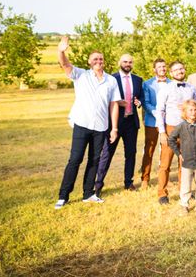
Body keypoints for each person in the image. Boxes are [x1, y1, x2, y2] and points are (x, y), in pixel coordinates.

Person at [54, 36, 120, 209]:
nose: (99, 61)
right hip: (82, 124)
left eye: (101, 59)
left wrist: (114, 128)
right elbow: (65, 65)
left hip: (101, 127)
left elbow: (114, 105)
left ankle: (88, 194)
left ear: (104, 62)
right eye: (95, 59)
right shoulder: (81, 75)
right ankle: (63, 196)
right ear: (89, 62)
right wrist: (61, 51)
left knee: (95, 160)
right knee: (75, 159)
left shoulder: (111, 80)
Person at [95, 54, 143, 196]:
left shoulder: (138, 80)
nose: (127, 64)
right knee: (107, 153)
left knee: (131, 153)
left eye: (130, 62)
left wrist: (139, 102)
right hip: (114, 122)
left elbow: (140, 98)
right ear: (119, 62)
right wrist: (117, 101)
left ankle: (128, 183)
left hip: (131, 122)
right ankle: (98, 185)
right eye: (125, 61)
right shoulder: (111, 79)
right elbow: (105, 98)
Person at [154, 61, 196, 205]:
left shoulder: (192, 88)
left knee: (185, 164)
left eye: (181, 68)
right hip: (171, 129)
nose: (179, 71)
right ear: (171, 73)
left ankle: (184, 191)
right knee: (165, 164)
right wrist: (162, 132)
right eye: (176, 70)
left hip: (188, 129)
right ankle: (162, 194)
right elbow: (160, 110)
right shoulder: (166, 89)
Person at [168, 100, 196, 214]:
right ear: (185, 112)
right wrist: (179, 153)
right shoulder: (181, 126)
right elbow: (171, 139)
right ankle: (184, 205)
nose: (193, 112)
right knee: (186, 184)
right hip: (187, 161)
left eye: (195, 109)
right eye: (190, 110)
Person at [140, 58, 170, 188]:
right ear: (154, 69)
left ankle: (163, 178)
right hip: (152, 121)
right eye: (159, 67)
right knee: (149, 149)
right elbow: (146, 103)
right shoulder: (147, 84)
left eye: (164, 66)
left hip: (168, 121)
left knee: (166, 150)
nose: (162, 68)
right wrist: (158, 113)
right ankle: (145, 178)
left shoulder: (172, 83)